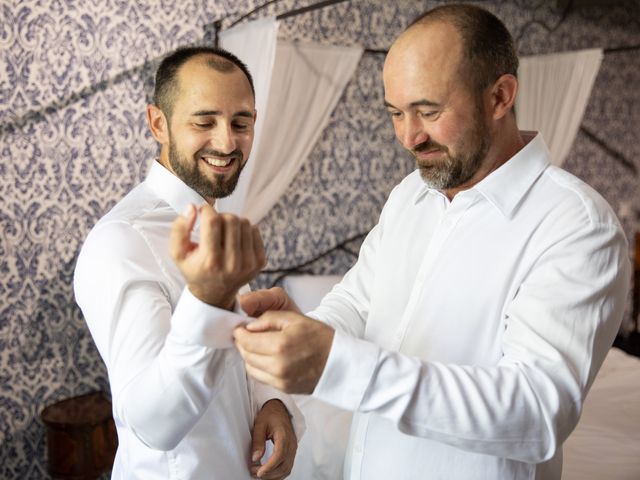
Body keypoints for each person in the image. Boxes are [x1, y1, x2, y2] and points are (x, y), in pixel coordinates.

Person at [232, 4, 630, 480]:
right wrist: (303, 331)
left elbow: (536, 412)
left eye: (428, 111)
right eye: (396, 113)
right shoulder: (409, 196)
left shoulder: (577, 226)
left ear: (500, 96)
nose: (408, 136)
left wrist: (339, 365)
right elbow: (358, 303)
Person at [74, 46, 302, 480]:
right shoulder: (120, 243)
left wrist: (274, 401)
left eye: (241, 123)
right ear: (158, 123)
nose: (227, 142)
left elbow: (236, 353)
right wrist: (209, 299)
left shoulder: (215, 225)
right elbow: (154, 423)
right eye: (205, 121)